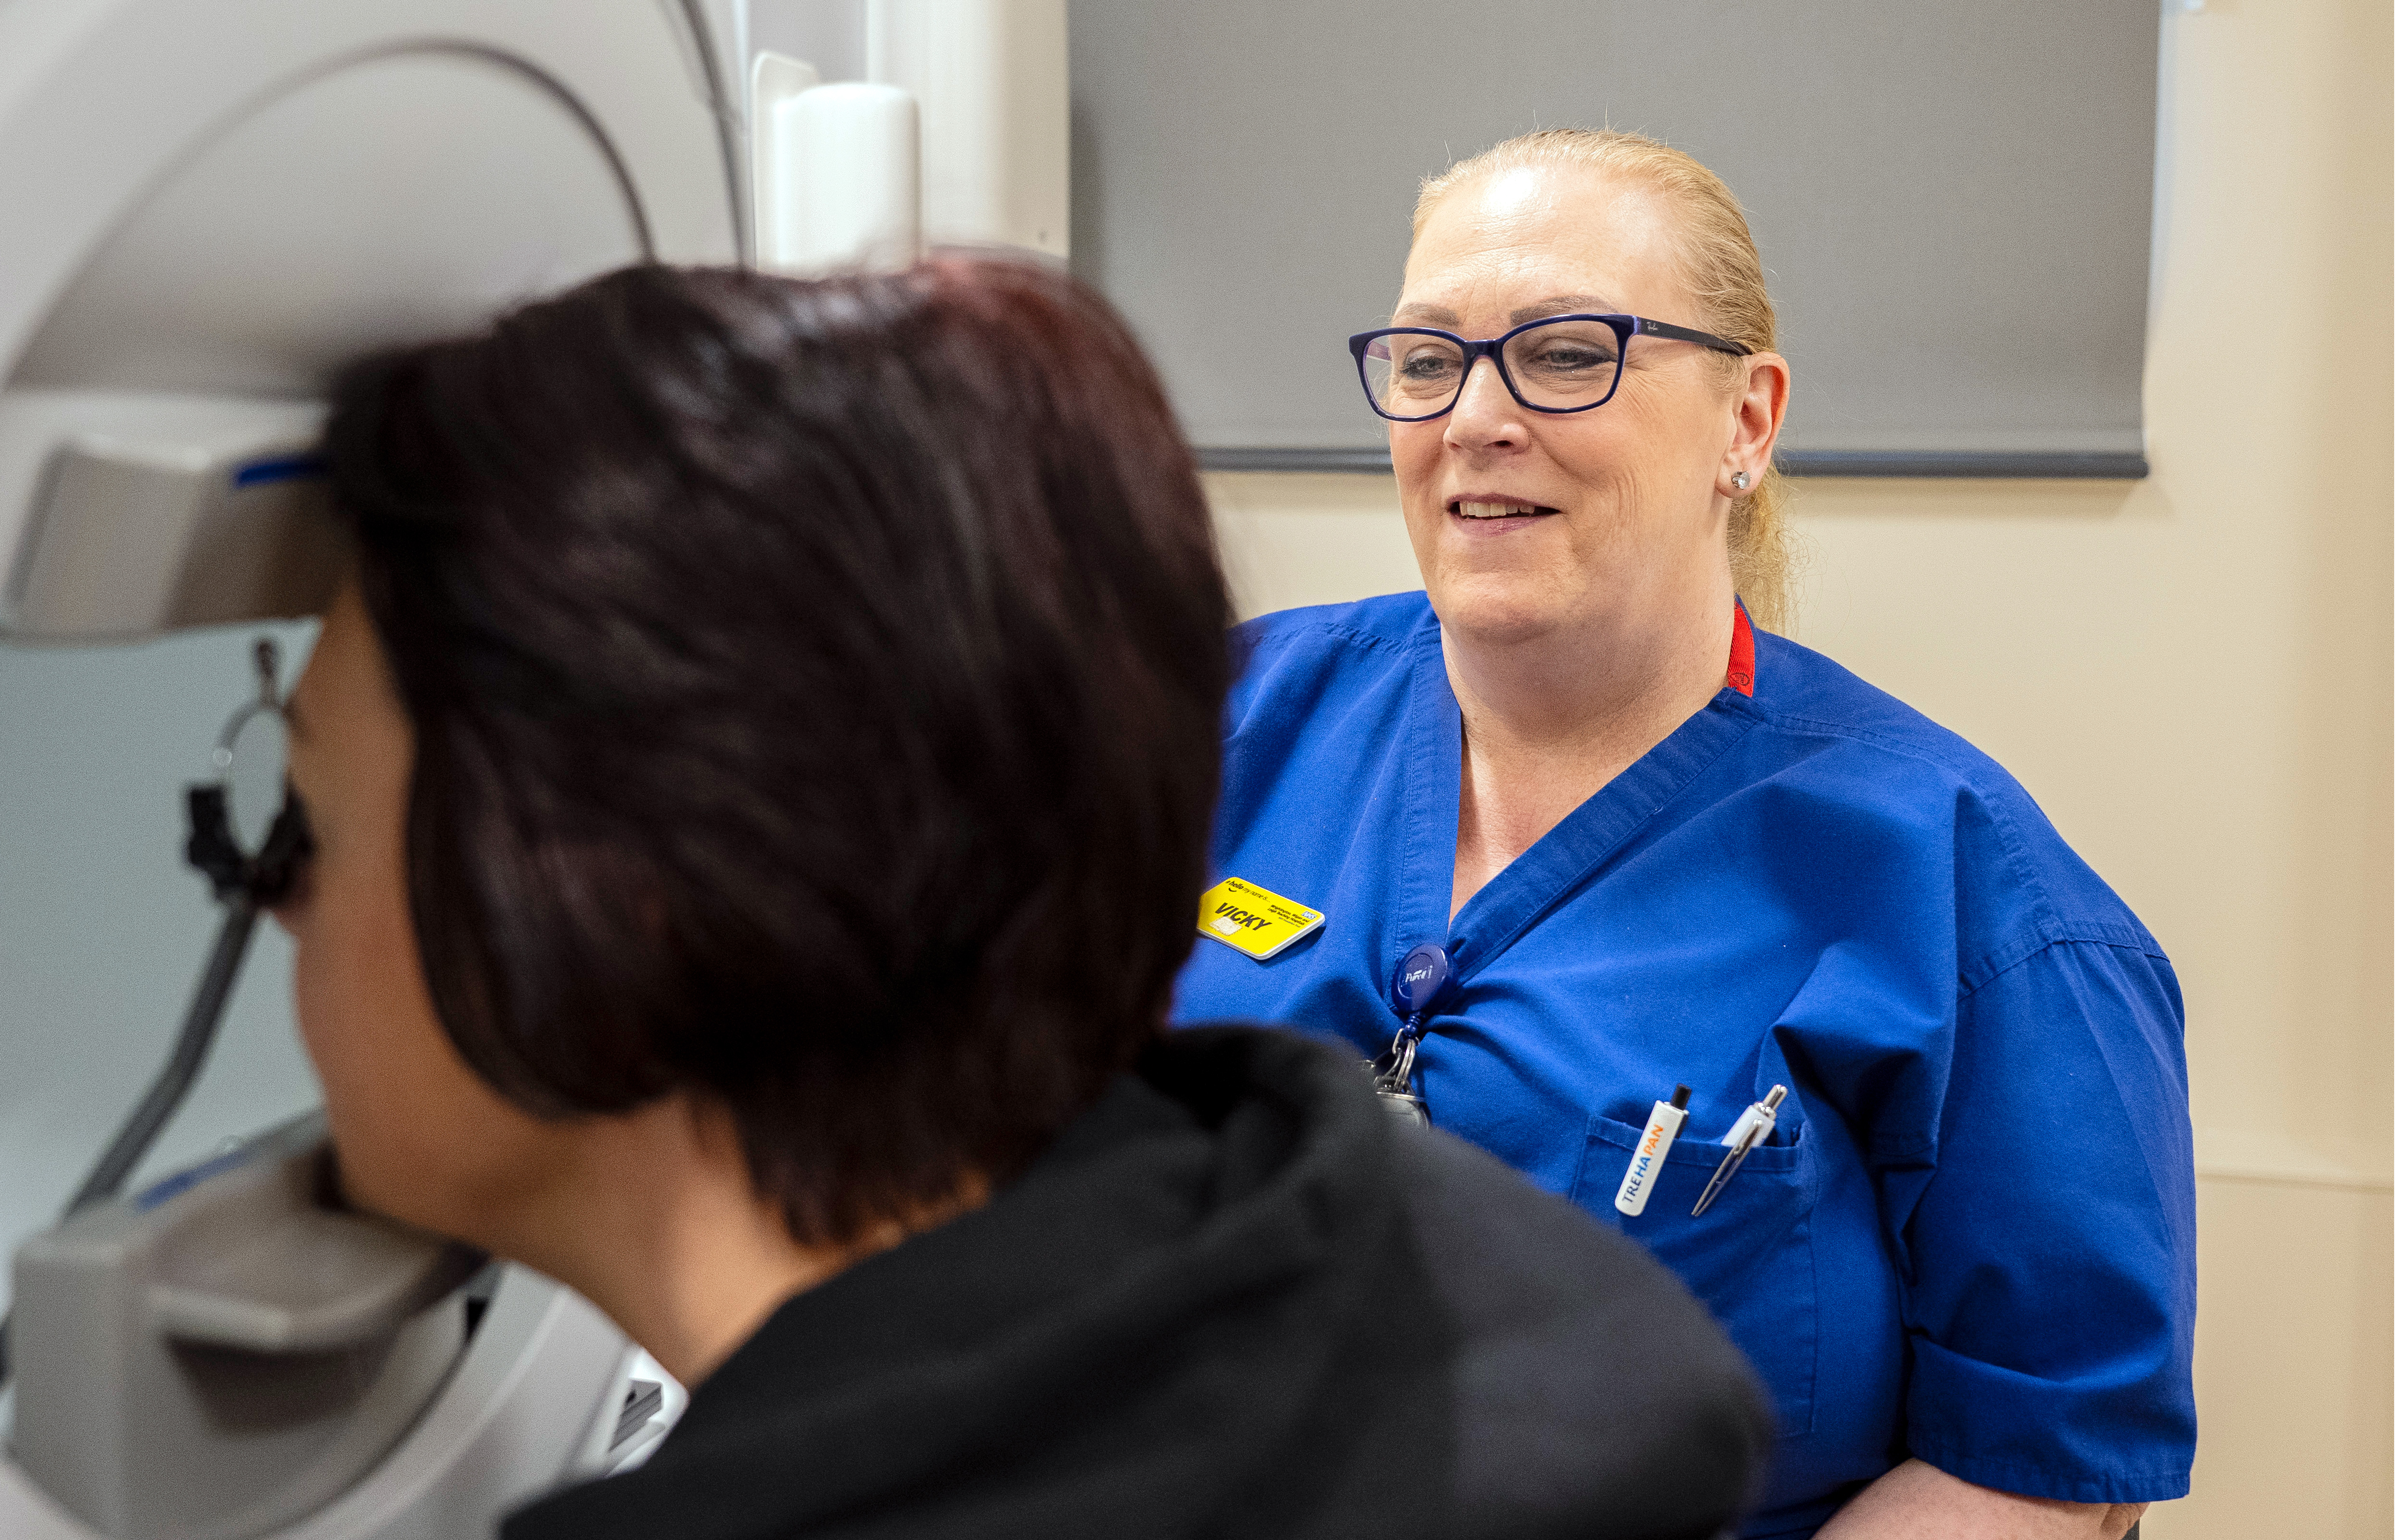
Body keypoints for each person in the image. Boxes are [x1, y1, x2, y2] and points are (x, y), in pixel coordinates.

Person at [273, 257, 1770, 1539]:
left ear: (603, 900)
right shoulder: (1449, 1294)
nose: (276, 919)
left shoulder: (1909, 831)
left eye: (298, 834)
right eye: (1431, 362)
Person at [1172, 128, 2196, 1539]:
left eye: (1566, 351)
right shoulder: (1219, 728)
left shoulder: (1962, 885)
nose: (1474, 416)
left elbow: (2042, 1467)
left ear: (1747, 423)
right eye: (1427, 359)